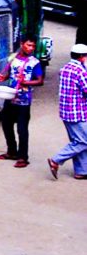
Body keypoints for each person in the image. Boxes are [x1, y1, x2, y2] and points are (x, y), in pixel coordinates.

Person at [0, 35, 44, 168]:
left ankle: (23, 157)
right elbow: (7, 74)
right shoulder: (13, 58)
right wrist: (1, 77)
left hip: (24, 100)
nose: (31, 48)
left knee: (22, 129)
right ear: (22, 44)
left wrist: (26, 82)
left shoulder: (35, 62)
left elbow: (40, 80)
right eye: (28, 45)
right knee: (6, 125)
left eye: (33, 46)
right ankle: (12, 151)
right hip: (10, 97)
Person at [47, 44, 87, 180]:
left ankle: (81, 171)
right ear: (82, 57)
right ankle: (56, 160)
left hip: (66, 111)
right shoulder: (80, 71)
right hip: (77, 112)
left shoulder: (65, 69)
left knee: (78, 140)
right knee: (83, 141)